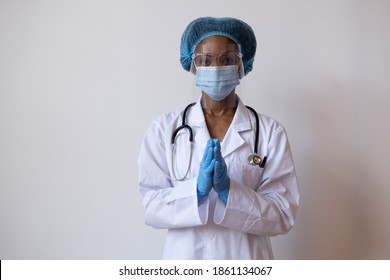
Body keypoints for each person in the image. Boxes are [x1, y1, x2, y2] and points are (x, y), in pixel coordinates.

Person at [138, 17, 299, 259]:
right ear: (193, 65)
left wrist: (230, 192)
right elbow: (152, 207)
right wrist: (196, 191)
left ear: (242, 64)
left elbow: (283, 215)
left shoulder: (269, 132)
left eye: (227, 60)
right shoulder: (164, 130)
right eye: (205, 60)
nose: (215, 68)